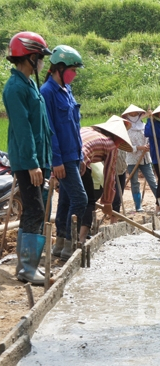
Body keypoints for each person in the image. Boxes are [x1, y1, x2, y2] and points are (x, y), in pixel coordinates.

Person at [3, 31, 52, 285]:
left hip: (39, 159)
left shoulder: (30, 84)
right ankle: (27, 269)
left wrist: (45, 159)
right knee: (34, 210)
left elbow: (41, 126)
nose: (42, 62)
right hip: (26, 161)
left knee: (36, 210)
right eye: (40, 57)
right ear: (31, 58)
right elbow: (22, 129)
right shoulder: (14, 88)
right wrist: (33, 163)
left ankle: (27, 265)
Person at [40, 45, 88, 260]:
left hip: (74, 154)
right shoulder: (47, 92)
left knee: (67, 201)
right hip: (63, 158)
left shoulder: (67, 90)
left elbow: (74, 126)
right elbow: (49, 129)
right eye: (72, 70)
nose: (75, 74)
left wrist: (82, 155)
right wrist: (56, 161)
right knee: (81, 199)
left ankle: (60, 245)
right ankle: (70, 242)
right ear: (59, 68)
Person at [78, 116, 134, 243]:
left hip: (63, 159)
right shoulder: (110, 144)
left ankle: (63, 242)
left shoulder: (87, 129)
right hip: (80, 162)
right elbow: (109, 175)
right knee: (88, 202)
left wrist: (56, 178)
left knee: (68, 202)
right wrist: (108, 202)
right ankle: (80, 240)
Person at [122, 105, 157, 212]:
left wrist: (149, 146)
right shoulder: (126, 129)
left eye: (135, 114)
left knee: (152, 180)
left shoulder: (145, 126)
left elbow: (150, 138)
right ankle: (138, 206)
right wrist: (138, 148)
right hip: (132, 159)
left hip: (145, 158)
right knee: (135, 183)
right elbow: (125, 146)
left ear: (139, 115)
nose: (133, 116)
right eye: (131, 114)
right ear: (127, 116)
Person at [110, 149, 127, 224]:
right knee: (116, 196)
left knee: (120, 195)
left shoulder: (123, 145)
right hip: (112, 172)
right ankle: (113, 220)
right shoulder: (110, 145)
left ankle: (115, 219)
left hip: (122, 171)